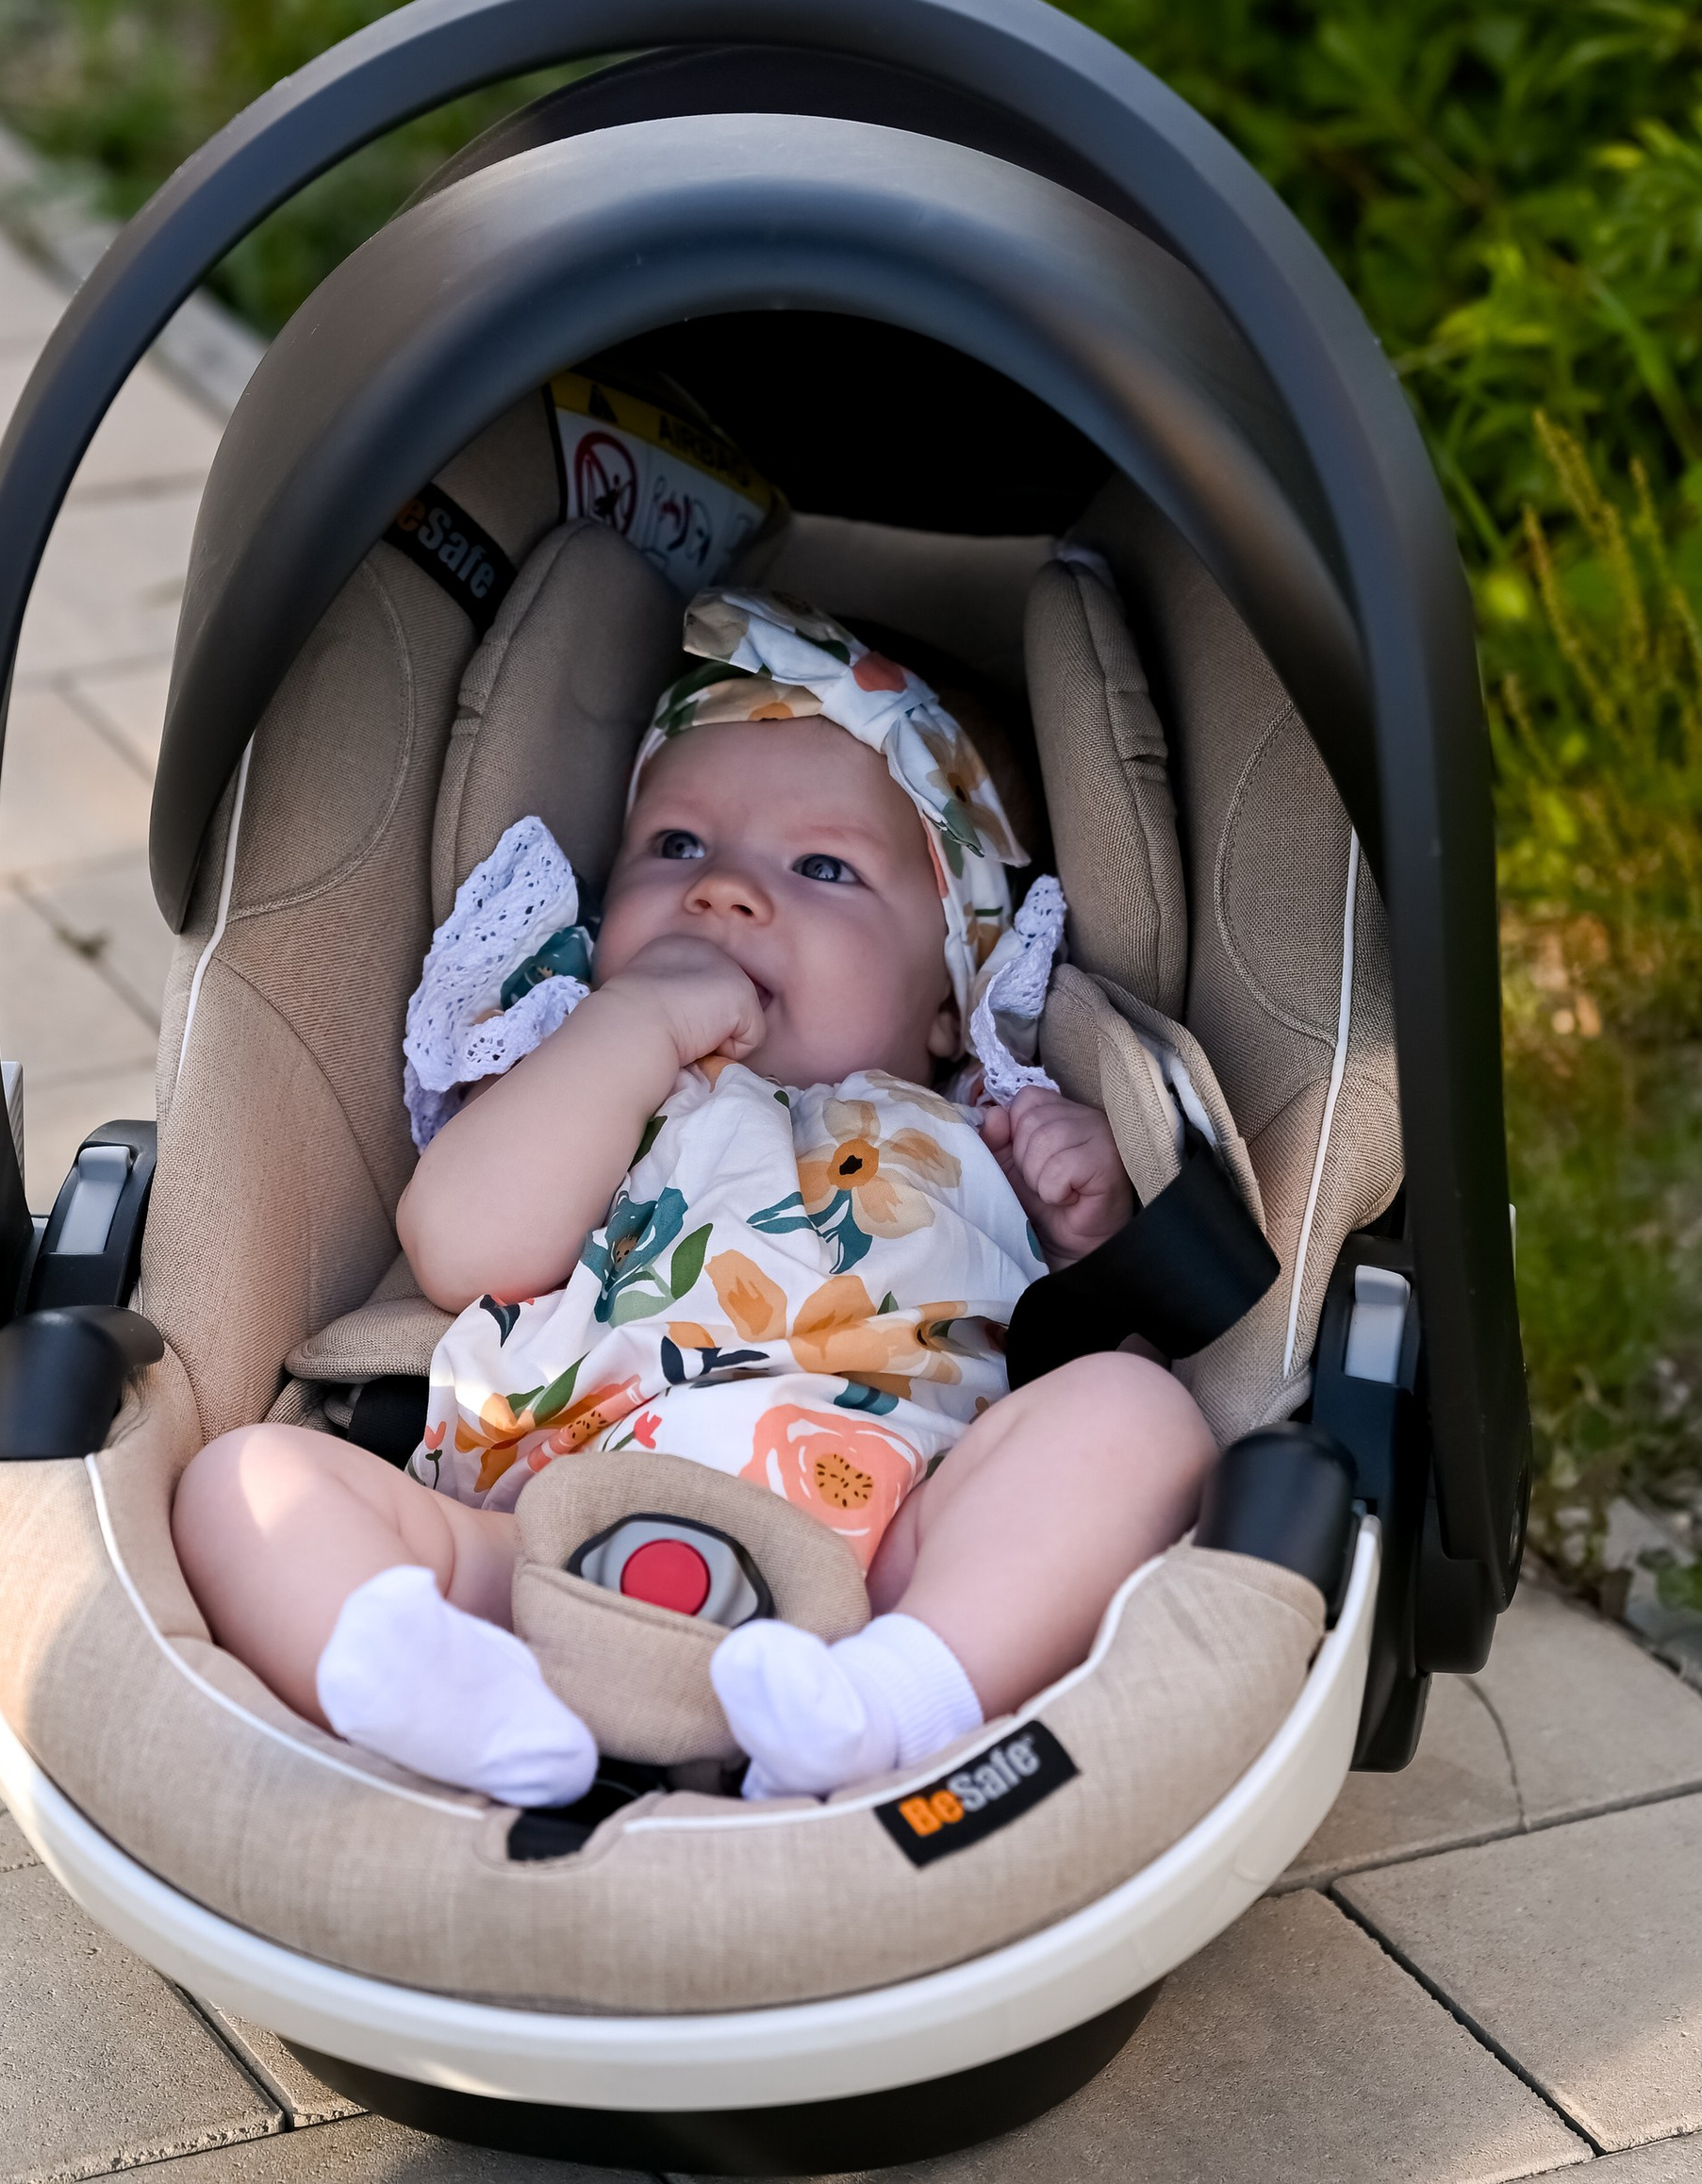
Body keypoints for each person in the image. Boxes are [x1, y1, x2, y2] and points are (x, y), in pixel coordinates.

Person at [172, 590, 1216, 1808]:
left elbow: (1087, 1363)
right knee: (247, 1480)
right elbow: (463, 1247)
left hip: (889, 1543)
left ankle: (903, 1698)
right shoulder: (597, 1079)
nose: (724, 892)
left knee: (1138, 1415)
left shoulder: (980, 1124)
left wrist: (1091, 1228)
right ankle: (434, 1692)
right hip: (543, 1541)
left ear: (954, 991)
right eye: (676, 847)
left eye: (822, 867)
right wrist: (636, 1025)